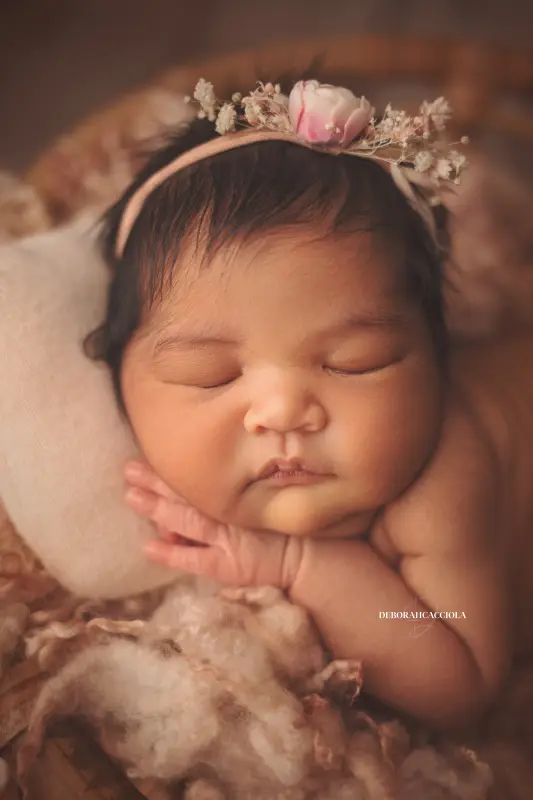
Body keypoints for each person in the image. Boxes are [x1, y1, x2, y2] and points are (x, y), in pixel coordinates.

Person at [85, 78, 527, 732]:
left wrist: (299, 566)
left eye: (354, 362)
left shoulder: (442, 486)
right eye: (209, 376)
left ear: (438, 356)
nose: (283, 411)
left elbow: (462, 677)